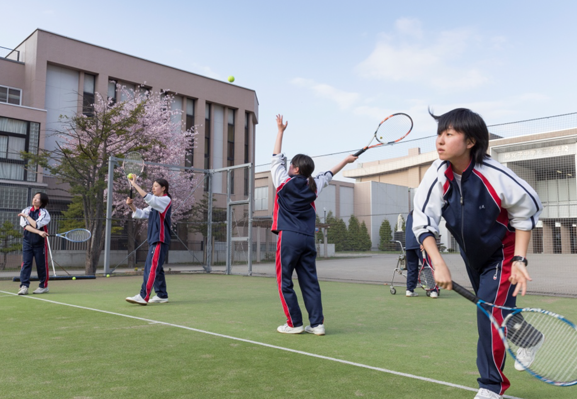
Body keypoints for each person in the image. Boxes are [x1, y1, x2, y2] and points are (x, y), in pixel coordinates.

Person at [412, 108, 543, 399]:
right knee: (493, 310)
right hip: (473, 257)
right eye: (439, 134)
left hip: (503, 253)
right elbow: (422, 223)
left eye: (449, 134)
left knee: (488, 317)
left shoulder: (496, 175)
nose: (440, 141)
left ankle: (491, 387)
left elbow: (527, 211)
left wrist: (519, 260)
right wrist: (438, 263)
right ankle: (530, 337)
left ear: (470, 141)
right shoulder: (436, 174)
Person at [272, 114, 357, 336]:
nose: (288, 166)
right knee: (310, 281)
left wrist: (280, 131)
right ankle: (317, 324)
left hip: (289, 237)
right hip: (308, 239)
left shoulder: (282, 180)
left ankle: (294, 323)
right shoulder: (314, 185)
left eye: (291, 165)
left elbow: (275, 157)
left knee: (284, 281)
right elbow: (329, 174)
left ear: (296, 169)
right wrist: (346, 161)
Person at [125, 177, 172, 305]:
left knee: (151, 267)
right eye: (153, 185)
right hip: (154, 239)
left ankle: (143, 295)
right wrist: (131, 205)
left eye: (156, 186)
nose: (153, 188)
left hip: (160, 239)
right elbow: (140, 214)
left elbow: (149, 198)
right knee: (157, 268)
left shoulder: (165, 200)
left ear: (163, 188)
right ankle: (162, 295)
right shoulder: (154, 205)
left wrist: (134, 184)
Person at [17, 192, 51, 295]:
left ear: (42, 202)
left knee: (41, 265)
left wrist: (27, 217)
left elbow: (35, 224)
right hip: (27, 241)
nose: (35, 200)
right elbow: (26, 227)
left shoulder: (44, 213)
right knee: (26, 263)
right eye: (34, 198)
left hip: (40, 243)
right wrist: (39, 232)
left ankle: (43, 286)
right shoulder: (26, 210)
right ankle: (24, 286)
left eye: (38, 199)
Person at [404, 210, 438, 298]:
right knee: (427, 266)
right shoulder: (423, 213)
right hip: (420, 243)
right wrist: (424, 242)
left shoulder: (410, 214)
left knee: (411, 268)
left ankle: (409, 290)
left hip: (409, 245)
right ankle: (433, 290)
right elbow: (426, 228)